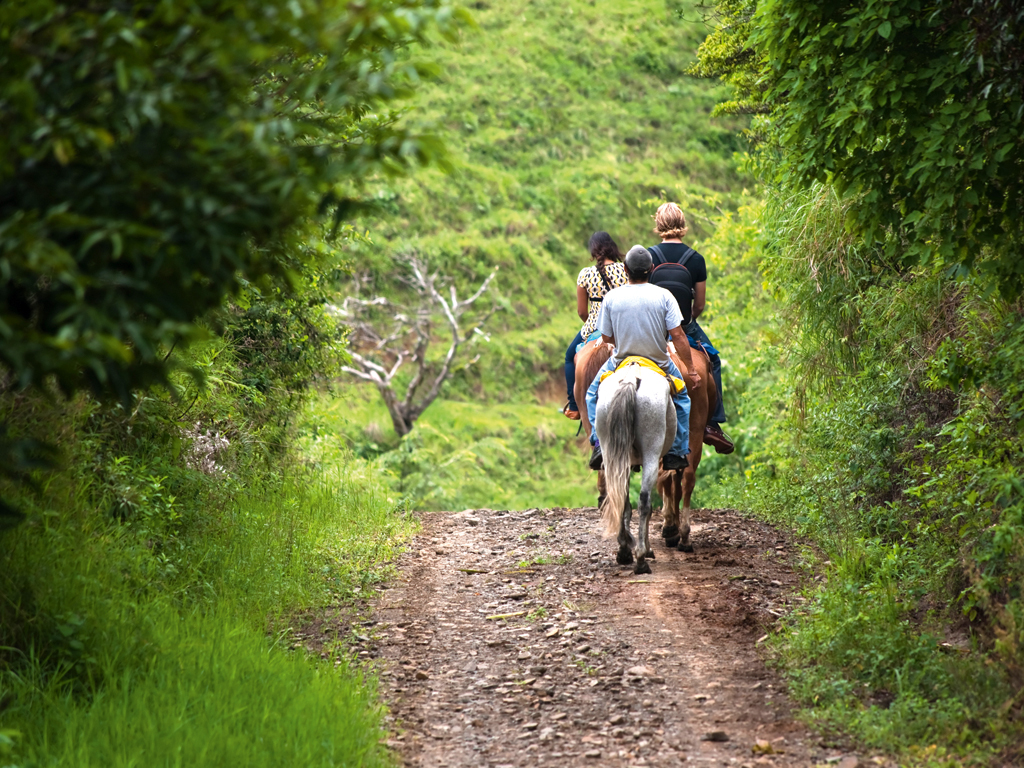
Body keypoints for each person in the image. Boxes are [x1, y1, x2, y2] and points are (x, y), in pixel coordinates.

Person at [585, 245, 701, 471]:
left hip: (621, 361)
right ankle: (676, 451)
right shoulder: (664, 296)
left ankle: (598, 444)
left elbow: (607, 337)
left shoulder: (612, 297)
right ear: (652, 269)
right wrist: (691, 370)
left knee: (591, 394)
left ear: (626, 269)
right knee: (682, 397)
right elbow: (677, 335)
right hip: (659, 362)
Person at [647, 202, 734, 454]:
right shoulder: (696, 259)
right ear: (683, 224)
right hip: (684, 327)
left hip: (655, 330)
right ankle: (712, 425)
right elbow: (700, 304)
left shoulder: (648, 256)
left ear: (659, 224)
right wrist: (686, 320)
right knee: (713, 361)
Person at [562, 232, 628, 420]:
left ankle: (574, 406)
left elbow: (582, 312)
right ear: (612, 248)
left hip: (594, 327)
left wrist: (593, 326)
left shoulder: (586, 274)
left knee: (569, 357)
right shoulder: (625, 270)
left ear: (593, 251)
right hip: (621, 328)